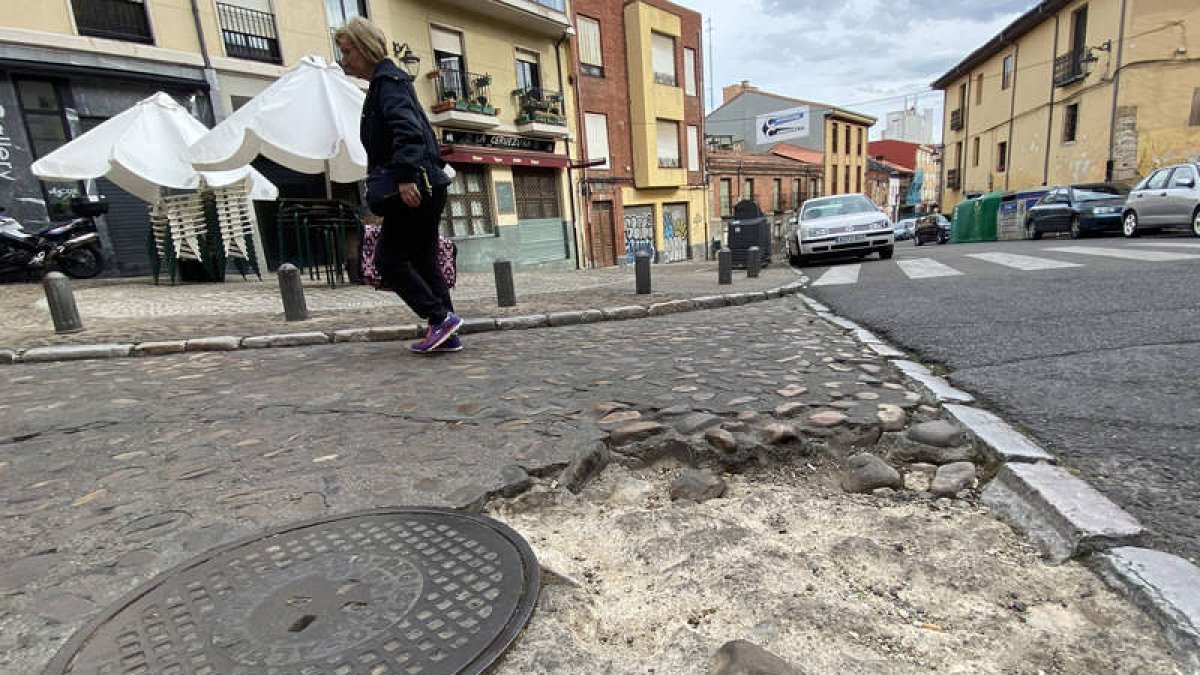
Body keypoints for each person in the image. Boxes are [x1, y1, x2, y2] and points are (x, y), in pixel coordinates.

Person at [335, 17, 462, 354]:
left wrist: (405, 177)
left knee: (387, 260)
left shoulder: (387, 83)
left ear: (364, 48)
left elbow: (407, 130)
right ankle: (447, 329)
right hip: (429, 184)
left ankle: (440, 319)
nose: (344, 60)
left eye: (347, 52)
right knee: (423, 260)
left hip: (415, 187)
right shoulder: (390, 82)